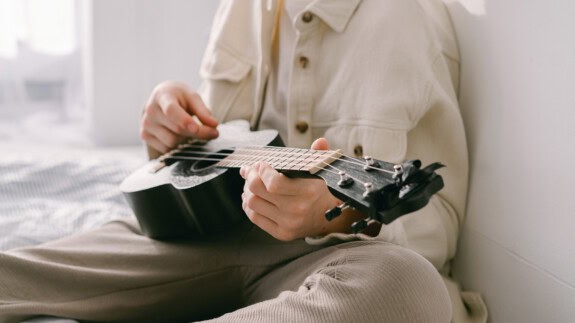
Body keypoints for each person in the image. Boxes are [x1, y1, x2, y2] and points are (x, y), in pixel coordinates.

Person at [0, 0, 487, 322]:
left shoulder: (408, 22)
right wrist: (169, 130)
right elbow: (211, 154)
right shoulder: (243, 8)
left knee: (407, 288)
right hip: (208, 238)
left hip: (336, 264)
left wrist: (343, 214)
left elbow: (438, 223)